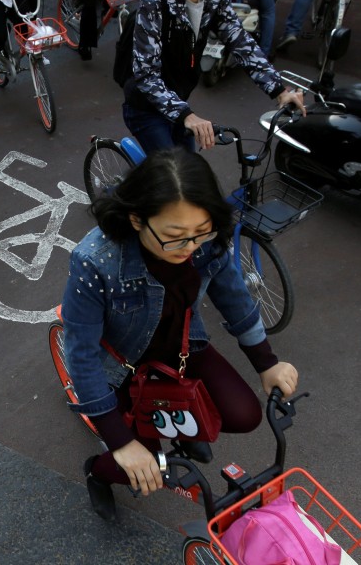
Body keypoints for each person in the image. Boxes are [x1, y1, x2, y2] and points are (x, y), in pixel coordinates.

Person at [59, 147, 299, 521]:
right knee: (144, 469)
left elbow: (234, 299)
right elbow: (82, 355)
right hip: (120, 367)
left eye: (200, 233)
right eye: (175, 236)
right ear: (137, 219)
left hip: (182, 347)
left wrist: (267, 363)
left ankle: (182, 433)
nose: (190, 248)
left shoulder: (206, 243)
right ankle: (96, 471)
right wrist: (120, 443)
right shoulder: (95, 260)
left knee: (244, 414)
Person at [123, 0, 304, 155]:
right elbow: (146, 75)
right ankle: (117, 193)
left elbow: (239, 39)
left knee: (190, 172)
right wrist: (186, 115)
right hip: (146, 109)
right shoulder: (155, 2)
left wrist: (279, 90)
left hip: (179, 101)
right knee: (177, 179)